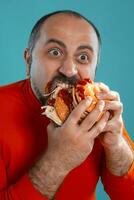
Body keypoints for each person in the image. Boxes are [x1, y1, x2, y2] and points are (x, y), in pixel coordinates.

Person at [0, 10, 134, 200]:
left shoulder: (99, 108)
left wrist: (117, 145)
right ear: (29, 60)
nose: (69, 70)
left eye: (83, 57)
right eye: (55, 52)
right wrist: (59, 161)